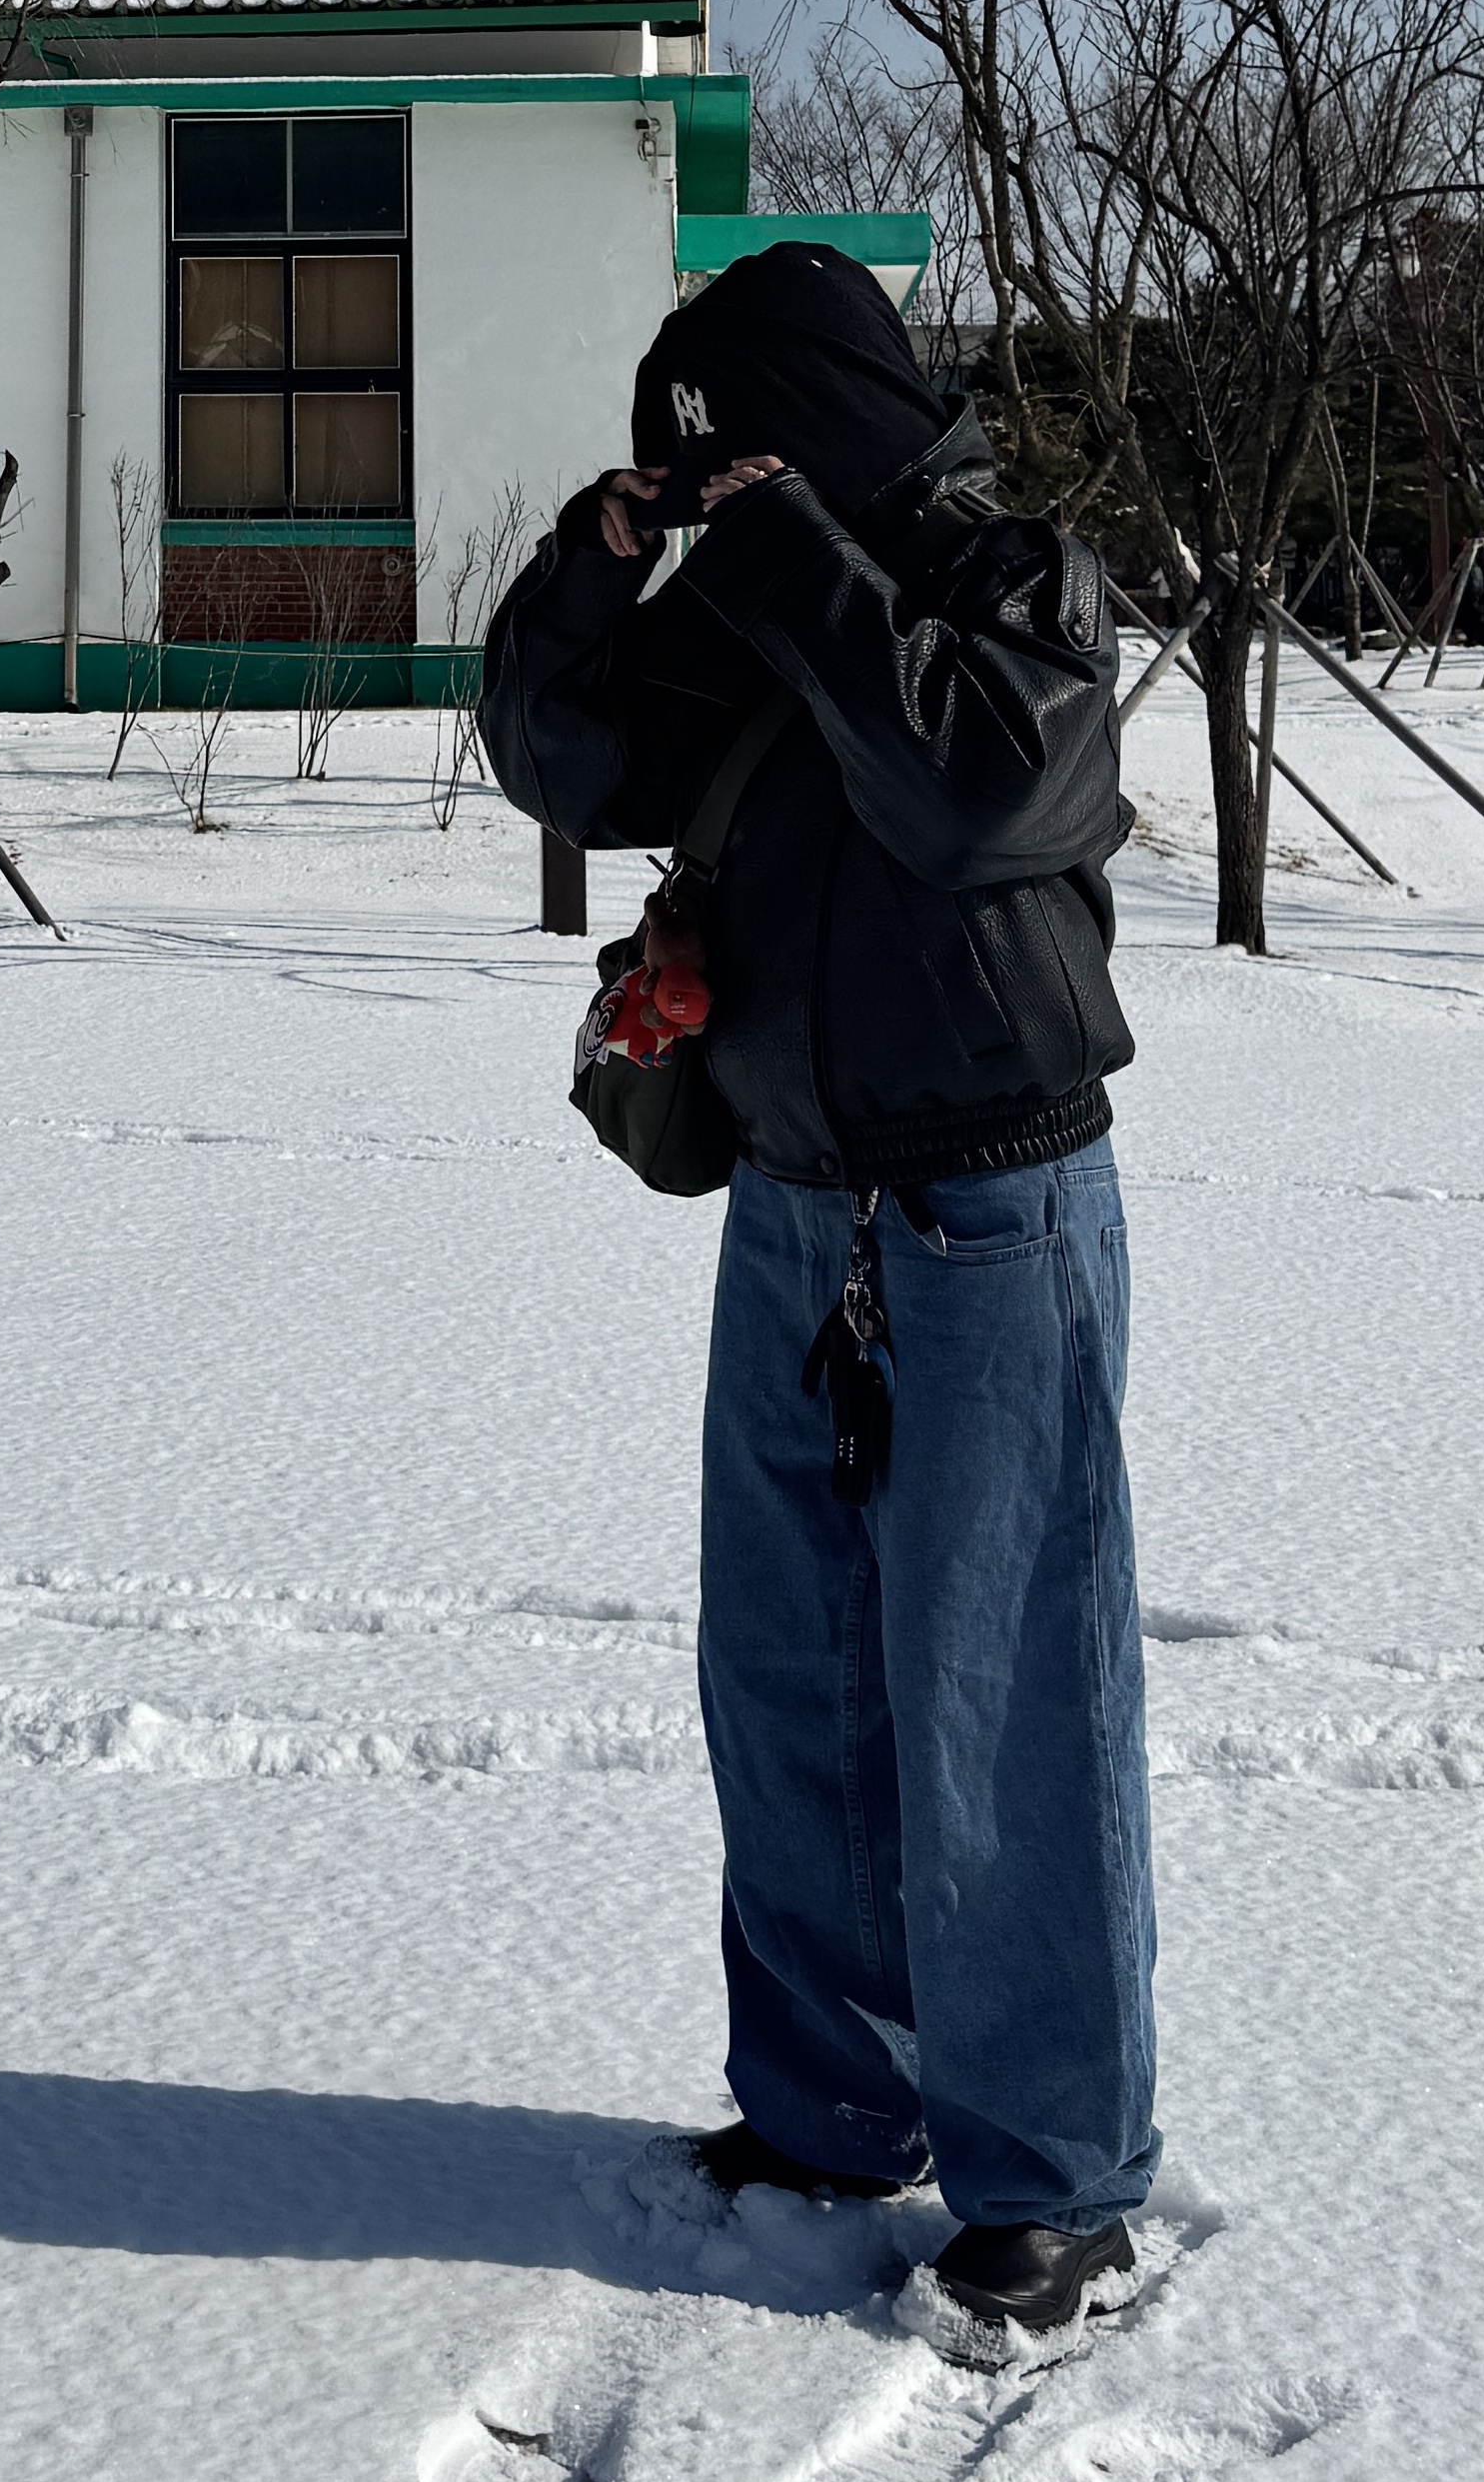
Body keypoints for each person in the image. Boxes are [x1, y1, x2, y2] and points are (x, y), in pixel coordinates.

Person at [482, 243, 1154, 2344]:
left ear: (832, 419)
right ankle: (829, 2112)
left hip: (993, 1216)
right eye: (690, 469)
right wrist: (594, 569)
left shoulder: (1014, 575)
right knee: (789, 1689)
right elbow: (564, 762)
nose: (718, 491)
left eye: (744, 448)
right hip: (791, 1210)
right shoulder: (764, 591)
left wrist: (788, 557)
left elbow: (978, 794)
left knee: (1005, 1708)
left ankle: (1052, 2177)